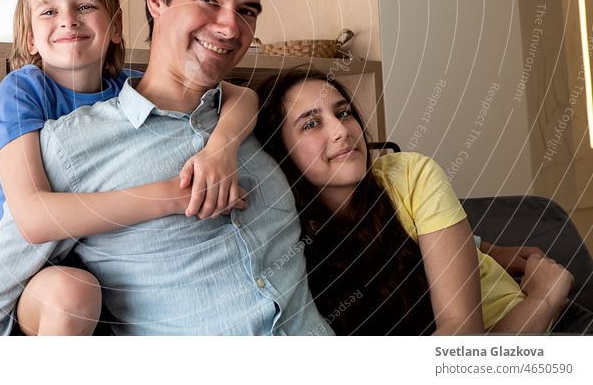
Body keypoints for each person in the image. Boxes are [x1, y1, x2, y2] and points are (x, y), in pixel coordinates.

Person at [0, 0, 331, 336]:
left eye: (247, 11)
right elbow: (21, 236)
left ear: (114, 29)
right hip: (45, 251)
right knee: (69, 292)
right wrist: (172, 195)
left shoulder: (242, 115)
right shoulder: (48, 120)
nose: (230, 27)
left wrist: (220, 148)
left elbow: (241, 96)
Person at [254, 67, 593, 334]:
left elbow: (463, 337)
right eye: (311, 123)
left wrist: (544, 296)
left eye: (343, 113)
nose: (341, 130)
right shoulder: (282, 232)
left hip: (530, 329)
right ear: (279, 152)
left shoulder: (410, 174)